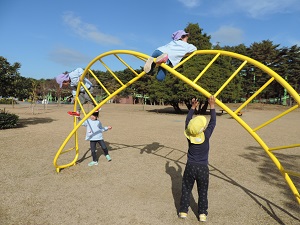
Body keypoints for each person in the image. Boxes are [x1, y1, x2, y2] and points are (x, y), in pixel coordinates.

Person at [178, 96, 216, 222]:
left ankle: (183, 211)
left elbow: (187, 121)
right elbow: (213, 122)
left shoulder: (189, 137)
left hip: (190, 166)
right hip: (203, 168)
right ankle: (202, 214)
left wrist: (193, 108)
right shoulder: (206, 135)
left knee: (186, 189)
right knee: (203, 191)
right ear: (203, 129)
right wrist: (212, 106)